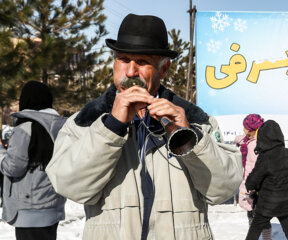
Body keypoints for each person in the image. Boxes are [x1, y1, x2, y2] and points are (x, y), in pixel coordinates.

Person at [45, 13, 242, 240]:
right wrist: (111, 128)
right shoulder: (86, 121)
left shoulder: (196, 121)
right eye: (123, 59)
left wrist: (188, 140)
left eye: (142, 62)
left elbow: (223, 189)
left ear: (164, 69)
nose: (130, 72)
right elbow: (71, 187)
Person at [0, 81, 67, 240]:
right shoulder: (60, 127)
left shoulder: (25, 128)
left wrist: (1, 154)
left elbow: (13, 167)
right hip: (52, 205)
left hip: (29, 208)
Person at [245, 120, 288, 240]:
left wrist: (250, 185)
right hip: (286, 201)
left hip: (267, 204)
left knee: (254, 230)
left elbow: (252, 182)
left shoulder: (265, 157)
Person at [235, 114, 272, 240]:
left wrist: (252, 187)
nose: (243, 130)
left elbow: (257, 168)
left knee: (259, 217)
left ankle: (265, 238)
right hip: (250, 184)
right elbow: (241, 139)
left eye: (245, 127)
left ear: (251, 129)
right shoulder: (248, 141)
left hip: (257, 186)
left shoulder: (258, 145)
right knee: (252, 214)